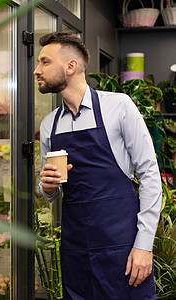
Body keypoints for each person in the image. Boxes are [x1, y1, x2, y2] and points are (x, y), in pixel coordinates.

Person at [35, 32, 161, 299]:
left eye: (45, 62)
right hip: (75, 249)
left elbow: (150, 174)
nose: (37, 70)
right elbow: (50, 191)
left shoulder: (119, 107)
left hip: (123, 248)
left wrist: (144, 245)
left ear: (71, 66)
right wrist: (46, 186)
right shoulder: (49, 125)